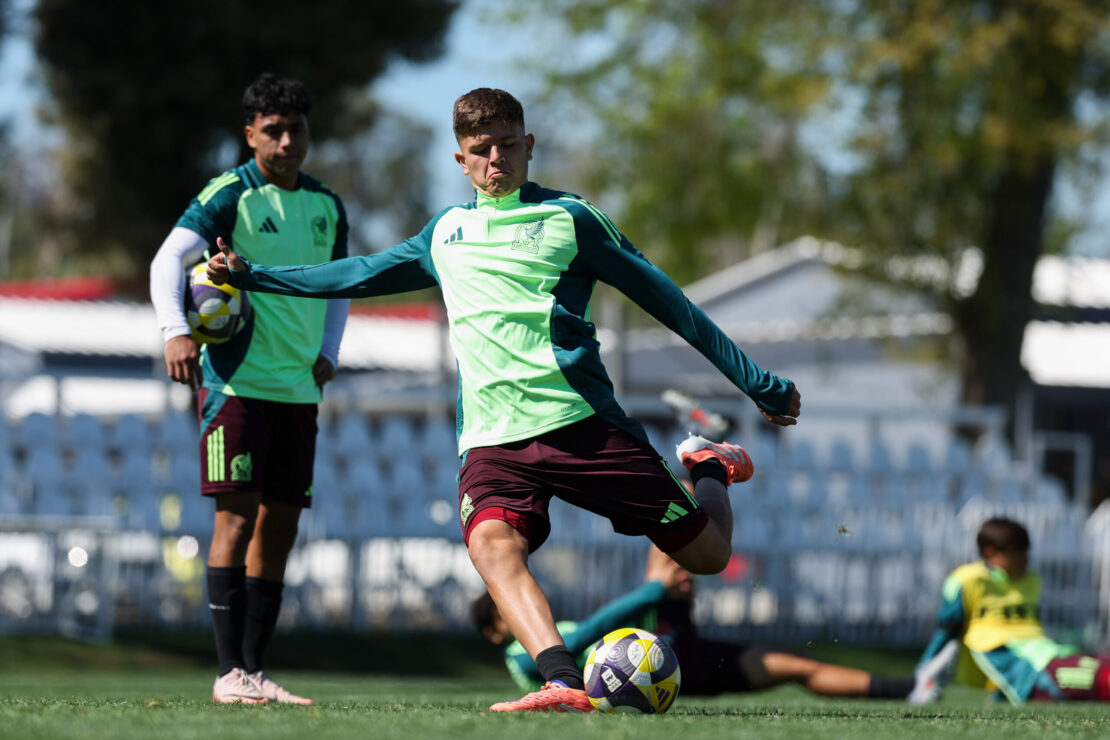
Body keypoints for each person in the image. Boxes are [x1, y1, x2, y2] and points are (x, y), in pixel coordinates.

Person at [207, 87, 802, 712]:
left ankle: (708, 468)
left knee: (707, 557)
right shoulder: (445, 234)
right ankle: (563, 680)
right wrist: (253, 276)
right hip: (492, 439)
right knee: (492, 545)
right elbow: (356, 273)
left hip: (582, 424)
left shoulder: (573, 220)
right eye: (480, 149)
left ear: (529, 146)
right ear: (460, 160)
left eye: (508, 145)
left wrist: (759, 383)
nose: (496, 159)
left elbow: (671, 306)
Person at [150, 72, 350, 704]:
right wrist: (175, 331)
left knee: (282, 525)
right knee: (234, 523)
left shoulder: (327, 204)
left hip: (299, 389)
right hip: (236, 385)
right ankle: (226, 671)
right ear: (250, 134)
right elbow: (167, 261)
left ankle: (255, 673)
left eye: (297, 130)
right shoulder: (230, 193)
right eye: (273, 131)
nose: (287, 141)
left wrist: (329, 351)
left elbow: (339, 282)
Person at [474, 544, 919, 702]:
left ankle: (911, 690)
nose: (520, 610)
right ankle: (702, 465)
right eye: (506, 611)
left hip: (683, 663)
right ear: (496, 632)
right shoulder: (527, 660)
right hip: (650, 661)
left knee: (795, 667)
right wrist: (651, 594)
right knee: (666, 549)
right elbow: (584, 636)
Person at [909, 517, 1110, 705]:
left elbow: (1031, 631)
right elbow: (946, 630)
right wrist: (926, 668)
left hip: (1050, 653)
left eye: (1027, 552)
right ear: (990, 553)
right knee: (1103, 678)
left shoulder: (1031, 580)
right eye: (1018, 552)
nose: (1026, 559)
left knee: (1102, 663)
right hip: (1032, 670)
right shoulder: (966, 580)